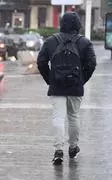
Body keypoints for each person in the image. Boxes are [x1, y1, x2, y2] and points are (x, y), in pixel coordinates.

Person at [37, 12, 96, 165]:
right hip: (76, 86)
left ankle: (58, 150)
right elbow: (91, 64)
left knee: (58, 117)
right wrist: (82, 80)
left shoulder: (50, 41)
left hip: (56, 85)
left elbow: (41, 62)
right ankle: (73, 147)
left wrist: (49, 79)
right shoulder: (84, 42)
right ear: (78, 24)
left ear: (61, 23)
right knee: (74, 116)